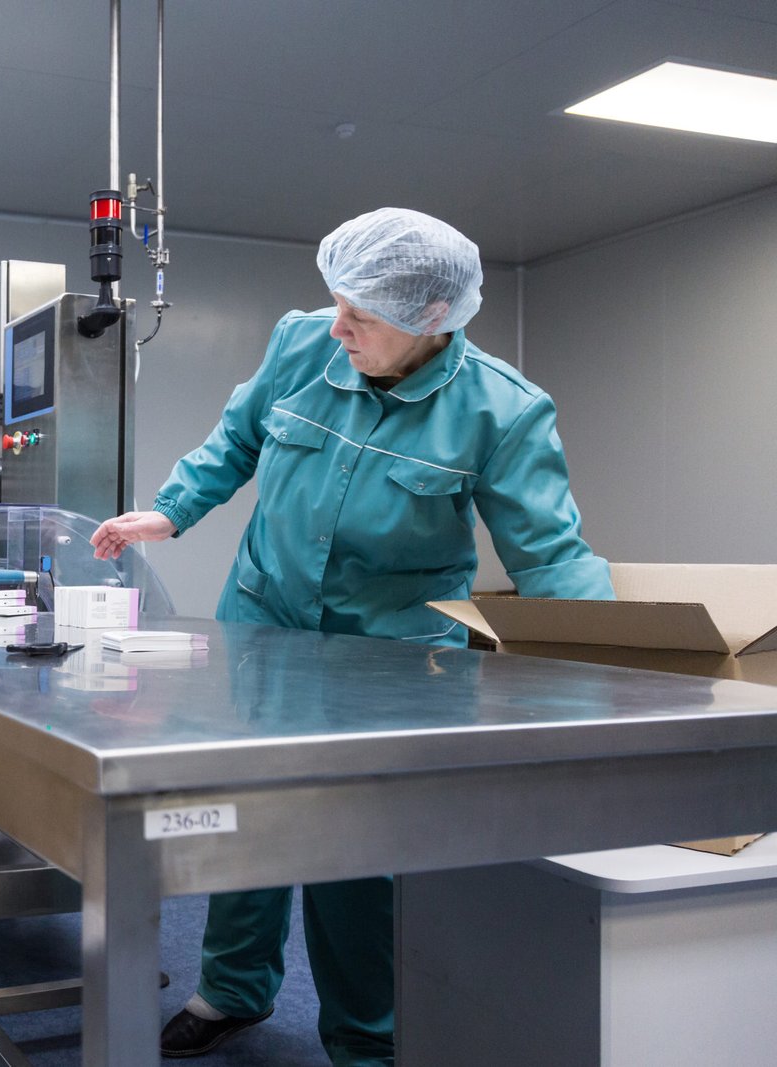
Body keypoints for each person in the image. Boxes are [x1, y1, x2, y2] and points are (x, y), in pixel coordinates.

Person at [90, 207, 613, 1065]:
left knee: (356, 855)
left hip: (391, 657)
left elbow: (554, 558)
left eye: (361, 317)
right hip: (263, 623)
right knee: (242, 814)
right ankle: (231, 986)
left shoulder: (502, 413)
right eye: (338, 303)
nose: (340, 327)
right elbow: (239, 437)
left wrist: (613, 678)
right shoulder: (305, 341)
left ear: (430, 320)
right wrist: (172, 510)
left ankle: (366, 1041)